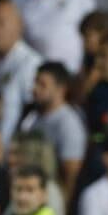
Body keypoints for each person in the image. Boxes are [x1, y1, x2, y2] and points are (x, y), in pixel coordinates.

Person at [0, 0, 42, 150]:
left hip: (15, 148)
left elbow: (35, 113)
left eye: (0, 24)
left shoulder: (31, 63)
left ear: (19, 26)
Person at [20, 61, 86, 203]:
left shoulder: (68, 123)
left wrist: (64, 206)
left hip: (52, 198)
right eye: (35, 82)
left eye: (42, 84)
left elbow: (71, 173)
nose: (35, 89)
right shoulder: (34, 116)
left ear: (61, 89)